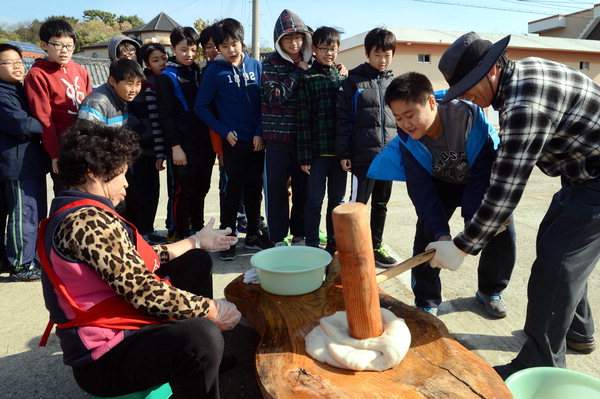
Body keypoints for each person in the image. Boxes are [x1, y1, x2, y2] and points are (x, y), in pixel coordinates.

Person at [427, 32, 600, 378]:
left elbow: (506, 189)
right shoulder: (521, 74)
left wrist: (463, 246)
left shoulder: (523, 105)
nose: (471, 99)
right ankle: (578, 332)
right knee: (554, 245)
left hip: (594, 178)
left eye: (471, 87)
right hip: (580, 172)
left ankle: (540, 362)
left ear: (491, 70)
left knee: (556, 265)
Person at [38, 120, 240, 398]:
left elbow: (135, 261)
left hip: (121, 329)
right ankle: (202, 356)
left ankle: (204, 364)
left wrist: (196, 242)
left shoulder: (79, 210)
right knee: (202, 337)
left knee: (196, 261)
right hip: (103, 362)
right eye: (120, 174)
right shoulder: (86, 220)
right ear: (92, 173)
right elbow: (145, 292)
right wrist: (212, 308)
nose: (126, 183)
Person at [368, 71, 516, 318]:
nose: (405, 124)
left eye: (410, 115)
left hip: (477, 180)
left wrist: (473, 227)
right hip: (441, 183)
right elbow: (422, 192)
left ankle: (490, 290)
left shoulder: (468, 118)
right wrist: (441, 234)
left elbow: (482, 179)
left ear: (431, 103)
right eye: (398, 118)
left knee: (501, 230)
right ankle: (426, 299)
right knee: (426, 236)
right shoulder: (407, 141)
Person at [194, 18, 272, 261]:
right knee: (231, 191)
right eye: (224, 46)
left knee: (253, 190)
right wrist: (223, 130)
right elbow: (201, 106)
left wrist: (260, 131)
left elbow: (264, 103)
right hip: (233, 143)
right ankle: (227, 241)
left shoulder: (256, 66)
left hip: (256, 142)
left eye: (234, 44)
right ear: (218, 48)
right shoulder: (215, 72)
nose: (230, 50)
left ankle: (251, 235)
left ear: (242, 42)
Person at [335, 27, 398, 267]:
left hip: (388, 157)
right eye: (377, 54)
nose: (382, 60)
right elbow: (342, 119)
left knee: (381, 205)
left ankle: (375, 246)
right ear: (367, 53)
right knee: (357, 206)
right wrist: (345, 153)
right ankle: (352, 250)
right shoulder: (354, 81)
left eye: (387, 55)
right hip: (363, 157)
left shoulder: (394, 82)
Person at [157, 26, 216, 242]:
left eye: (193, 49)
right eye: (183, 50)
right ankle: (180, 234)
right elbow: (166, 116)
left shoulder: (199, 72)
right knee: (183, 191)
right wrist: (175, 147)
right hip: (181, 145)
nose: (189, 55)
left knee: (202, 188)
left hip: (203, 144)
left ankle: (198, 230)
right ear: (172, 48)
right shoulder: (167, 77)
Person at [261, 9, 312, 247]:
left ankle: (300, 235)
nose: (294, 42)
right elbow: (274, 96)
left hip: (303, 139)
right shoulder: (270, 62)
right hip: (276, 140)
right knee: (277, 192)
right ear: (279, 41)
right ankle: (278, 238)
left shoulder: (311, 62)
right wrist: (296, 72)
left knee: (304, 191)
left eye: (299, 37)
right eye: (288, 38)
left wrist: (339, 70)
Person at [24, 18, 91, 195]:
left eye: (69, 45)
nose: (65, 51)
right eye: (58, 45)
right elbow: (43, 118)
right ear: (44, 45)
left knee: (91, 193)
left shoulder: (81, 71)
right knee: (68, 194)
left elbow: (92, 108)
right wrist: (55, 153)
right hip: (62, 148)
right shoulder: (37, 75)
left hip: (86, 145)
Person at [0, 43, 49, 281]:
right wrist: (50, 126)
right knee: (24, 215)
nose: (17, 67)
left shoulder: (18, 88)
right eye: (9, 63)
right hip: (18, 166)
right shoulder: (1, 93)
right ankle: (20, 265)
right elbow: (21, 123)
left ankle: (29, 258)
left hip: (31, 161)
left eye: (19, 62)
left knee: (36, 212)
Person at [297, 26, 346, 254]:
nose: (329, 53)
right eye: (325, 48)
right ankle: (311, 245)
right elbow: (303, 119)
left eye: (333, 49)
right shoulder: (307, 78)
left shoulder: (343, 78)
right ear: (314, 49)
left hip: (339, 154)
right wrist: (304, 156)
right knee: (314, 201)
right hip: (316, 154)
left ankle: (333, 244)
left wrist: (348, 152)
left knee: (337, 203)